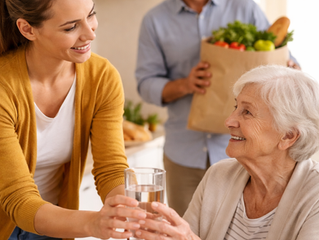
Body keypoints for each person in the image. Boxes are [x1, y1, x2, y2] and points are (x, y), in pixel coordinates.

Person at [135, 0, 300, 216]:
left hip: (244, 153)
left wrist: (291, 69)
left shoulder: (245, 8)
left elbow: (282, 56)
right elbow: (145, 84)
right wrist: (186, 84)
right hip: (183, 155)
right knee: (183, 228)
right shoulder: (155, 20)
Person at [0, 0, 147, 239]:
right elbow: (18, 198)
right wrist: (93, 223)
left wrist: (129, 210)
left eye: (91, 15)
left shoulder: (102, 77)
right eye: (70, 27)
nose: (90, 33)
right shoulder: (4, 87)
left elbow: (110, 168)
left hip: (54, 221)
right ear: (28, 29)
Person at [132, 65, 319, 239]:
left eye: (247, 112)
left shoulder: (315, 196)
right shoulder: (218, 175)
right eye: (236, 107)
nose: (229, 121)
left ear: (288, 135)